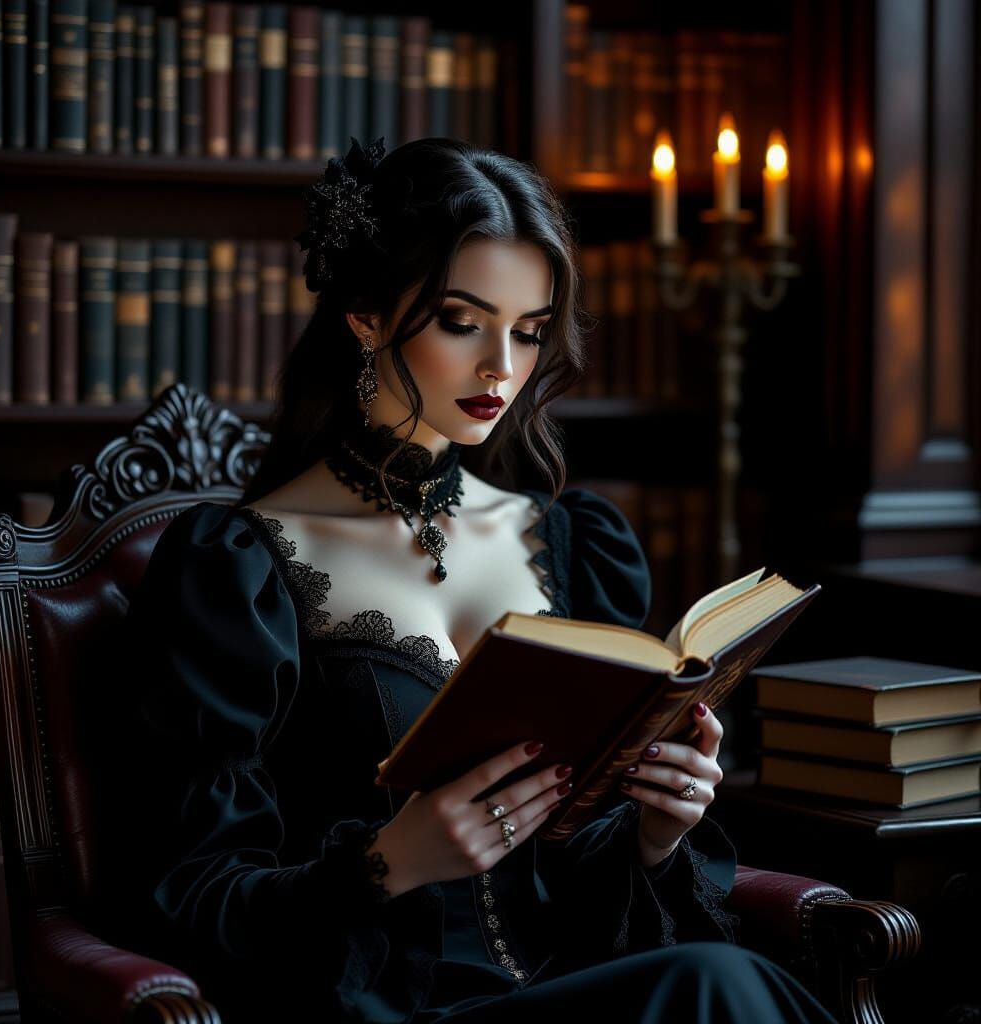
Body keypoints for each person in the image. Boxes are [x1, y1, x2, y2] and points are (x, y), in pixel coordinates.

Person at [106, 137, 841, 1024]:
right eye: (463, 321)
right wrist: (388, 863)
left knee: (710, 979)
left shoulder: (572, 542)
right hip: (374, 1010)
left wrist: (656, 832)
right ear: (366, 315)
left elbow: (572, 879)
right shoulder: (237, 569)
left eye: (528, 332)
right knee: (710, 985)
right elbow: (186, 897)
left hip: (565, 991)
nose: (502, 366)